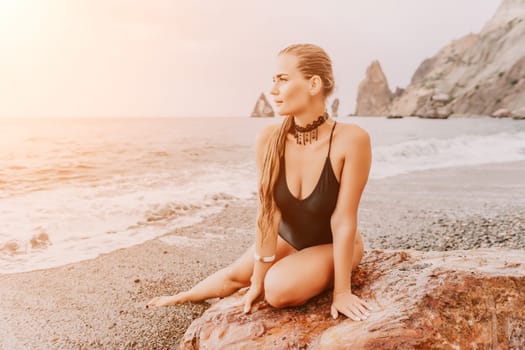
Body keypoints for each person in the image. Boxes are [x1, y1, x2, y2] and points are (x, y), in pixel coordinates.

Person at [146, 43, 372, 322]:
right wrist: (256, 281)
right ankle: (181, 296)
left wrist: (342, 293)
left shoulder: (351, 140)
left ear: (313, 84)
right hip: (289, 240)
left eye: (283, 79)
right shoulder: (268, 139)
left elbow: (343, 219)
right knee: (238, 276)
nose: (273, 90)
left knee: (276, 290)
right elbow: (268, 213)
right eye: (273, 80)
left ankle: (303, 273)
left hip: (334, 245)